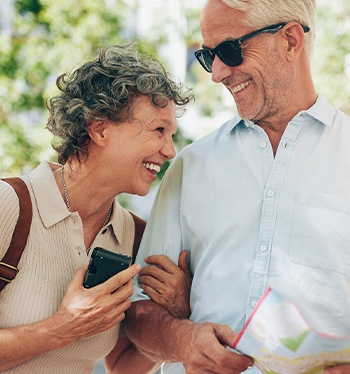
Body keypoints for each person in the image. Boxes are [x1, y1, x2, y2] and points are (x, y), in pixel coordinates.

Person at [125, 0, 350, 373]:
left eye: (230, 50)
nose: (217, 73)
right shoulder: (190, 166)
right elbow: (139, 311)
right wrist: (182, 337)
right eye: (208, 56)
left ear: (291, 40)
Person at [0, 44, 193, 373]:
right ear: (100, 128)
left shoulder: (133, 236)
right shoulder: (10, 205)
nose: (170, 151)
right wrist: (63, 328)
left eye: (172, 135)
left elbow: (120, 365)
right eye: (159, 130)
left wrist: (177, 314)